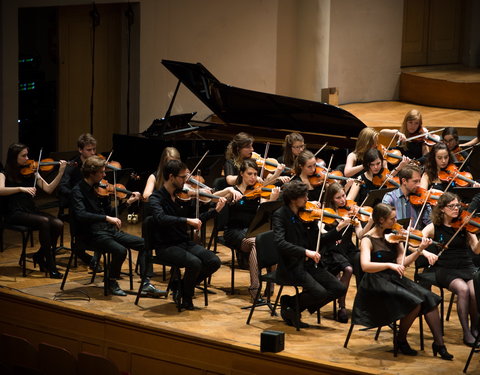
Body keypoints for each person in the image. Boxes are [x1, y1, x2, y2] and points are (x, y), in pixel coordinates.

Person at [352, 203, 453, 360]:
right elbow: (365, 266)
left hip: (393, 279)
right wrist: (388, 265)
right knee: (414, 303)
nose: (396, 221)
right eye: (392, 219)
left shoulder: (393, 236)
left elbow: (402, 263)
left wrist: (419, 251)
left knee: (429, 299)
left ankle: (439, 344)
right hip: (375, 283)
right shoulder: (367, 239)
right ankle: (400, 339)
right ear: (381, 220)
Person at [71, 155, 164, 297]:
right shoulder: (78, 191)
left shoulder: (100, 190)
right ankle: (111, 281)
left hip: (106, 231)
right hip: (89, 234)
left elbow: (111, 213)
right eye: (101, 172)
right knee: (120, 251)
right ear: (91, 173)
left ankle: (146, 283)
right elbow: (81, 215)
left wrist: (128, 203)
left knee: (145, 244)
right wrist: (106, 218)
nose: (104, 175)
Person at [149, 159, 224, 310]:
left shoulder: (181, 197)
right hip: (165, 246)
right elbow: (160, 218)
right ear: (171, 177)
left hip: (183, 243)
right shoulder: (156, 198)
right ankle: (186, 297)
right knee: (195, 263)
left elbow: (196, 219)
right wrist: (187, 220)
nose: (186, 181)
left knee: (213, 261)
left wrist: (215, 211)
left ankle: (181, 287)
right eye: (183, 177)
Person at [272, 180, 348, 328]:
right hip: (291, 265)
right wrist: (306, 252)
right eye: (304, 196)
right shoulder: (280, 216)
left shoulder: (308, 215)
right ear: (294, 200)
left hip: (308, 264)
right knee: (320, 293)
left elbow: (320, 241)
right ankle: (292, 307)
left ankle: (291, 304)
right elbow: (280, 243)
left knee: (339, 289)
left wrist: (338, 229)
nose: (307, 199)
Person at [0, 143, 67, 278]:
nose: (27, 158)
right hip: (14, 212)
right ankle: (50, 264)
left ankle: (39, 255)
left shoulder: (32, 172)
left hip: (30, 210)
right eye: (23, 156)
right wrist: (20, 189)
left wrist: (60, 172)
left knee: (58, 224)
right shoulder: (4, 173)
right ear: (14, 157)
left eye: (27, 155)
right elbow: (0, 190)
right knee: (44, 222)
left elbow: (48, 189)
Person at [423, 193, 480, 347]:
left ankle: (475, 329)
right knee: (463, 290)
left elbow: (476, 250)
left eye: (458, 205)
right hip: (445, 268)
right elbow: (414, 243)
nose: (456, 209)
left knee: (475, 292)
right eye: (452, 206)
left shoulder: (465, 224)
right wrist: (426, 252)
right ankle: (466, 332)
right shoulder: (434, 227)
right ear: (442, 209)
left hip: (466, 266)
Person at [224, 159, 280, 301]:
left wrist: (272, 199)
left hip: (252, 231)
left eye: (255, 174)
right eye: (250, 174)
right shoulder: (234, 192)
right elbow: (215, 198)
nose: (253, 177)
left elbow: (264, 208)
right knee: (257, 243)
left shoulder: (258, 190)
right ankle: (255, 288)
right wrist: (228, 192)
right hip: (234, 232)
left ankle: (270, 283)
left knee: (270, 240)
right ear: (241, 174)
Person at [322, 182, 372, 323]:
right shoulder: (326, 214)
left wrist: (369, 222)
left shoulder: (350, 212)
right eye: (338, 198)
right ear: (332, 199)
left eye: (344, 195)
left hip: (348, 248)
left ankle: (362, 305)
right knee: (348, 269)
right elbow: (323, 237)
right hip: (332, 251)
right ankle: (341, 307)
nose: (343, 200)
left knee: (361, 262)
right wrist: (339, 226)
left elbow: (361, 235)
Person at [58, 133, 100, 270]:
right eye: (89, 150)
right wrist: (77, 196)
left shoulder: (96, 165)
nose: (93, 153)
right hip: (77, 205)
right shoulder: (72, 165)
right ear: (80, 150)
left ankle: (99, 250)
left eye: (94, 149)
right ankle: (82, 251)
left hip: (93, 203)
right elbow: (63, 187)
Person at [382, 164, 432, 229]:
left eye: (419, 181)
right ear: (404, 181)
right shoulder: (390, 198)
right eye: (415, 181)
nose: (419, 185)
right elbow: (385, 223)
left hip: (416, 237)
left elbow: (429, 222)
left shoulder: (420, 199)